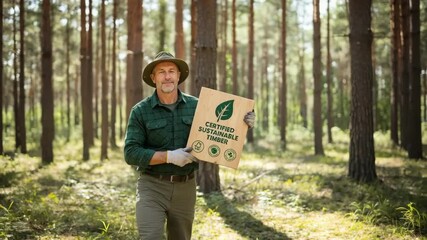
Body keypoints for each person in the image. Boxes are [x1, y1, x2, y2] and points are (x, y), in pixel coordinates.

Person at [124, 51, 255, 240]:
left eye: (171, 71)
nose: (167, 76)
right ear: (153, 78)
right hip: (151, 187)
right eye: (161, 72)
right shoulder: (140, 111)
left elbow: (222, 134)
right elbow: (131, 153)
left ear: (178, 76)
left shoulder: (198, 107)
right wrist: (168, 156)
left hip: (185, 188)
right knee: (150, 236)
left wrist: (243, 123)